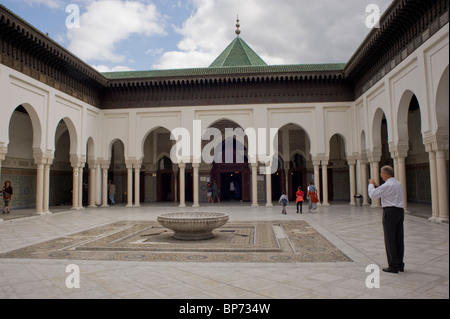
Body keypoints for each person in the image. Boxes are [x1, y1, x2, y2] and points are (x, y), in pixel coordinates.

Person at [368, 165, 405, 274]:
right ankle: (399, 264)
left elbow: (373, 195)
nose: (380, 175)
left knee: (390, 239)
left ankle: (393, 266)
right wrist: (377, 186)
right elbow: (386, 192)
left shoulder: (388, 185)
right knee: (398, 238)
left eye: (381, 173)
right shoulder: (397, 184)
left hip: (390, 213)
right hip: (399, 212)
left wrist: (371, 184)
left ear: (385, 174)